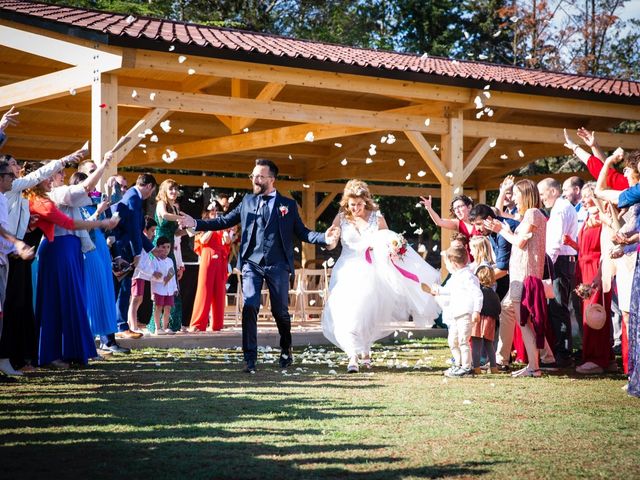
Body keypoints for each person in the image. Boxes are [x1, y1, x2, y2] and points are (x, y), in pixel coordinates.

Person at [178, 159, 340, 373]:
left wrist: (324, 238)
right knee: (251, 305)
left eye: (260, 176)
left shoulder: (287, 206)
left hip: (278, 265)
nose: (255, 179)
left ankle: (286, 349)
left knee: (280, 311)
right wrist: (196, 224)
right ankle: (250, 358)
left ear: (271, 180)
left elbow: (303, 233)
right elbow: (224, 221)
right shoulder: (247, 201)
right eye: (253, 176)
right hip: (251, 264)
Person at [322, 180, 440, 373]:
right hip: (346, 270)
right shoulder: (341, 218)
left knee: (365, 314)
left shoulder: (376, 217)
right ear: (347, 203)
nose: (356, 208)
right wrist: (329, 241)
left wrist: (394, 248)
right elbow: (332, 244)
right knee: (347, 313)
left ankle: (365, 352)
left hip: (370, 270)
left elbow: (388, 240)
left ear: (365, 201)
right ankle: (353, 356)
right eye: (352, 204)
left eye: (359, 204)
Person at [27, 174, 119, 367]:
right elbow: (83, 191)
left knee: (73, 300)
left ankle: (73, 351)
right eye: (55, 173)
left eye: (60, 173)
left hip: (70, 249)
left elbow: (86, 191)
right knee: (58, 302)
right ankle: (52, 354)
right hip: (59, 249)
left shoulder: (59, 194)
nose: (59, 176)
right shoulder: (55, 194)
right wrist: (104, 164)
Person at [487, 179, 555, 377]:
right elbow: (500, 216)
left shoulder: (533, 213)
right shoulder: (527, 216)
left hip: (525, 276)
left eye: (516, 193)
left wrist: (503, 231)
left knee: (524, 322)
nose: (514, 198)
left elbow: (520, 243)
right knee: (524, 320)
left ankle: (534, 366)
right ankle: (536, 364)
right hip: (522, 274)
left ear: (525, 195)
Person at [594, 148, 640, 397]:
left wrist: (609, 159)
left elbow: (601, 189)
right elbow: (601, 191)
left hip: (634, 260)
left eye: (629, 168)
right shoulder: (631, 197)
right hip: (629, 258)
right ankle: (633, 372)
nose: (625, 170)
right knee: (628, 318)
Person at [563, 182, 614, 374]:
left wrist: (599, 276)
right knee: (591, 314)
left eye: (587, 196)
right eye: (583, 197)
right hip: (584, 269)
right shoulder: (588, 218)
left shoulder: (603, 218)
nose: (583, 200)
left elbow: (605, 251)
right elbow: (586, 248)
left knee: (595, 314)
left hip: (597, 270)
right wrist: (572, 244)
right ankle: (608, 358)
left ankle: (596, 360)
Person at [108, 173, 158, 349]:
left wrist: (151, 248)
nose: (150, 195)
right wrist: (137, 252)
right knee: (121, 289)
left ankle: (120, 325)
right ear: (149, 186)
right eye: (152, 191)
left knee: (124, 288)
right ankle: (120, 325)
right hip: (123, 248)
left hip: (125, 246)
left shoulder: (132, 196)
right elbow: (134, 229)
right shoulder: (134, 198)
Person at [538, 177, 578, 367]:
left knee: (558, 307)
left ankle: (563, 354)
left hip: (559, 261)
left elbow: (555, 241)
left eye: (542, 193)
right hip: (561, 261)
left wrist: (547, 266)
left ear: (553, 191)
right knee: (556, 306)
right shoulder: (561, 207)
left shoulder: (560, 209)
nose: (541, 198)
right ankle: (561, 351)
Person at [427, 245, 483, 378]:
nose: (446, 266)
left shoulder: (468, 277)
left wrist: (476, 311)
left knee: (463, 340)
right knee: (453, 341)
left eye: (446, 263)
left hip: (465, 314)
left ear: (453, 263)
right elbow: (449, 290)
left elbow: (478, 294)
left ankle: (467, 367)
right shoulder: (455, 277)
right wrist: (438, 290)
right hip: (455, 314)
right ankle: (457, 364)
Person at [147, 179, 185, 334]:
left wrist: (190, 230)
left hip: (170, 251)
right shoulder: (161, 204)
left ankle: (170, 324)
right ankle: (156, 326)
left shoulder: (175, 208)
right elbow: (163, 215)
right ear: (164, 190)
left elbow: (176, 232)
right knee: (160, 285)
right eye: (171, 189)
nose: (174, 192)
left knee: (171, 283)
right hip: (160, 248)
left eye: (176, 189)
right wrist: (180, 218)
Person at [189, 202, 231, 332]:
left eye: (217, 210)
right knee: (204, 291)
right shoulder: (204, 225)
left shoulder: (222, 226)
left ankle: (217, 325)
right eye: (212, 210)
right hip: (207, 258)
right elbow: (203, 241)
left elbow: (227, 243)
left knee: (219, 292)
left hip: (220, 261)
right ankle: (198, 324)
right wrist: (213, 227)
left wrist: (225, 235)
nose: (214, 212)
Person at [468, 203, 519, 300]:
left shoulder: (503, 229)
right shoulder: (491, 232)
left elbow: (502, 270)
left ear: (489, 219)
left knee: (505, 311)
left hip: (531, 275)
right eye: (475, 225)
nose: (477, 229)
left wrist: (474, 281)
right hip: (516, 275)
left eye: (478, 224)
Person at [127, 216, 157, 333]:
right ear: (145, 230)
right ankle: (132, 326)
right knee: (135, 299)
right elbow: (141, 260)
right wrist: (151, 272)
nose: (154, 234)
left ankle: (132, 323)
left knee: (138, 299)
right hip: (137, 274)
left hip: (142, 274)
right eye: (152, 231)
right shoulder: (141, 241)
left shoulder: (146, 242)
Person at [471, 265, 501, 375]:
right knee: (489, 345)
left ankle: (476, 368)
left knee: (476, 345)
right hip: (490, 321)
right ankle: (493, 367)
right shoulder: (494, 294)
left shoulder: (477, 292)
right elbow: (498, 309)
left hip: (478, 319)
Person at [150, 236, 178, 335]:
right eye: (163, 247)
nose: (166, 250)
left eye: (168, 247)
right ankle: (158, 328)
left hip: (169, 290)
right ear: (157, 247)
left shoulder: (170, 261)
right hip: (159, 289)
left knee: (168, 308)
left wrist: (175, 288)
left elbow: (173, 275)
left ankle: (165, 327)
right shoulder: (155, 261)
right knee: (158, 307)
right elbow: (151, 275)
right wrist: (162, 279)